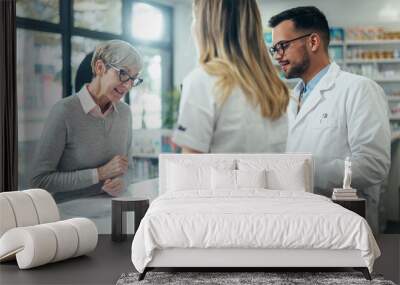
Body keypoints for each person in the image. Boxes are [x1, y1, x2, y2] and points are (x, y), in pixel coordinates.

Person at [268, 6, 391, 232]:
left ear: (313, 42)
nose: (277, 56)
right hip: (297, 220)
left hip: (343, 223)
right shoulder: (293, 97)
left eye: (283, 46)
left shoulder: (359, 89)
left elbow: (374, 165)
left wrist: (301, 171)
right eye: (274, 49)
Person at [31, 40, 143, 202]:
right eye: (123, 74)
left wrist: (122, 182)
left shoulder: (125, 113)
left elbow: (128, 168)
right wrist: (99, 173)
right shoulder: (64, 111)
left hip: (111, 210)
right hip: (69, 217)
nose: (128, 86)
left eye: (133, 79)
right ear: (99, 68)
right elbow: (39, 180)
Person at [172, 0, 289, 154]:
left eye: (195, 17)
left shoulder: (203, 80)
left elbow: (191, 170)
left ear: (206, 26)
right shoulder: (272, 87)